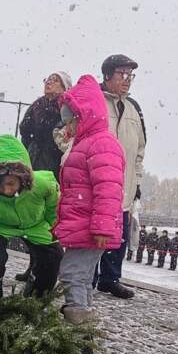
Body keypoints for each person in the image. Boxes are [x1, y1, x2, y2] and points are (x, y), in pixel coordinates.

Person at [55, 75, 125, 323]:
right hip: (82, 225)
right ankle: (83, 318)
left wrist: (102, 226)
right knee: (81, 276)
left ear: (84, 115)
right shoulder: (84, 143)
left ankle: (77, 322)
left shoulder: (101, 144)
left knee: (72, 274)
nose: (67, 127)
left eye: (70, 120)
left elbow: (109, 190)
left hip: (90, 227)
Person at [0, 135, 62, 305]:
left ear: (22, 176)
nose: (6, 191)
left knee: (53, 256)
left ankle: (34, 300)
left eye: (10, 183)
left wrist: (53, 225)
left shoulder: (42, 184)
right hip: (3, 227)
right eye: (0, 185)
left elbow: (54, 201)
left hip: (35, 225)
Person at [94, 54, 147, 299]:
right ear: (107, 75)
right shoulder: (94, 101)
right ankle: (87, 276)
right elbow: (67, 135)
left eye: (130, 76)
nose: (127, 80)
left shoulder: (134, 109)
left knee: (119, 235)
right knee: (94, 232)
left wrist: (136, 181)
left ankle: (110, 277)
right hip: (96, 180)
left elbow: (140, 150)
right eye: (122, 74)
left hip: (124, 184)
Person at [16, 71, 72, 283]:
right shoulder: (36, 105)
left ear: (65, 87)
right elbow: (25, 133)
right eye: (47, 79)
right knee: (31, 217)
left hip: (54, 166)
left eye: (55, 80)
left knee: (49, 220)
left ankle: (48, 267)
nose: (49, 82)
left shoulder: (65, 107)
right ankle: (33, 265)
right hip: (33, 161)